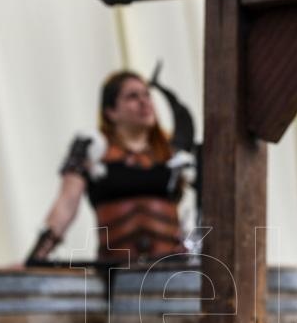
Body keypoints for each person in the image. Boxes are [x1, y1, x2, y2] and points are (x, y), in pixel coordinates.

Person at [27, 70, 196, 264]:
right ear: (111, 112)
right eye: (132, 96)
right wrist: (36, 256)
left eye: (147, 94)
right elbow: (65, 205)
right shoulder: (92, 149)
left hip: (170, 270)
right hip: (116, 273)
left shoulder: (173, 154)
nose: (144, 102)